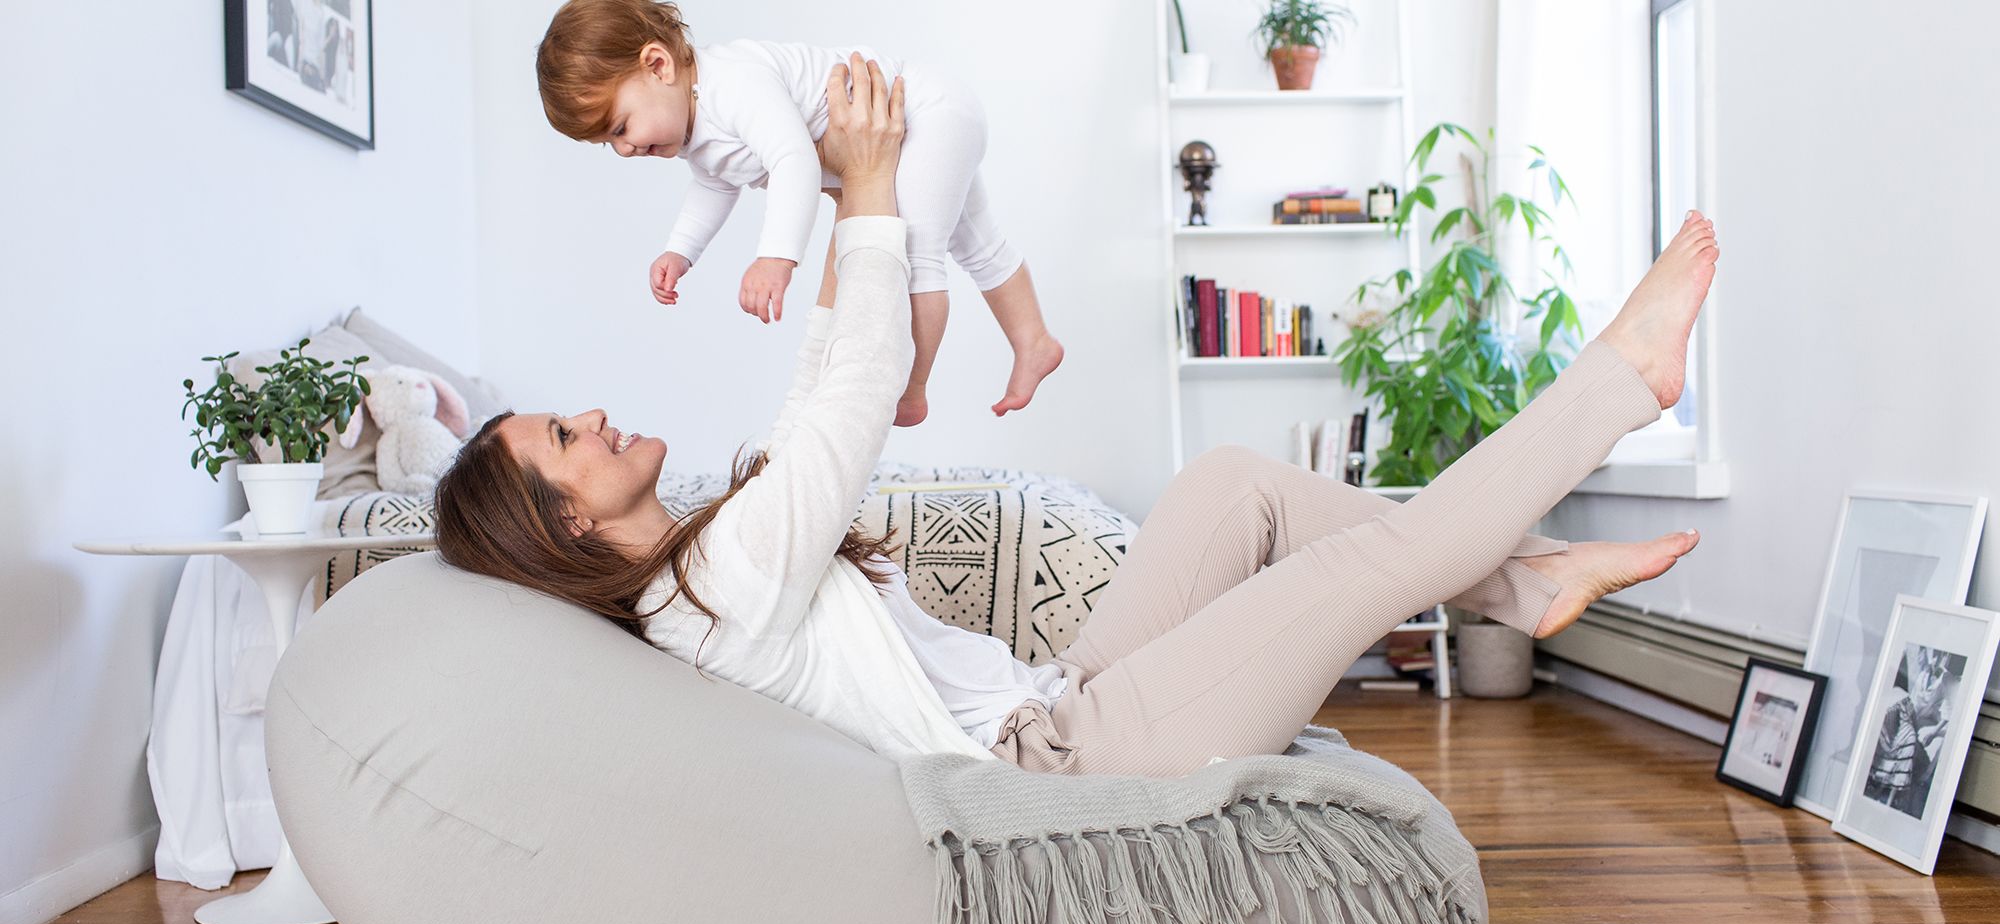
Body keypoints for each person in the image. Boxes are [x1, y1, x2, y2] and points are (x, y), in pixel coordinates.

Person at [434, 54, 1717, 780]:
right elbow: (856, 395)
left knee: (1235, 484)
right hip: (1060, 764)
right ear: (562, 522)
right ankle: (1618, 379)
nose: (588, 415)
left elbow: (819, 389)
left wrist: (857, 208)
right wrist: (870, 188)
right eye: (560, 436)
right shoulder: (712, 580)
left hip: (1060, 694)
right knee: (1357, 565)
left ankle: (1519, 583)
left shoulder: (710, 562)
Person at [534, 0, 1064, 427]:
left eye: (621, 127)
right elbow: (712, 187)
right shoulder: (697, 134)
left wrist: (776, 259)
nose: (624, 150)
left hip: (926, 112)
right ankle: (1034, 341)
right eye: (607, 143)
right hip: (929, 120)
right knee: (976, 243)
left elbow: (795, 163)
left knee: (917, 254)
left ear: (658, 65)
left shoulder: (732, 84)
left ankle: (913, 388)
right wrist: (681, 251)